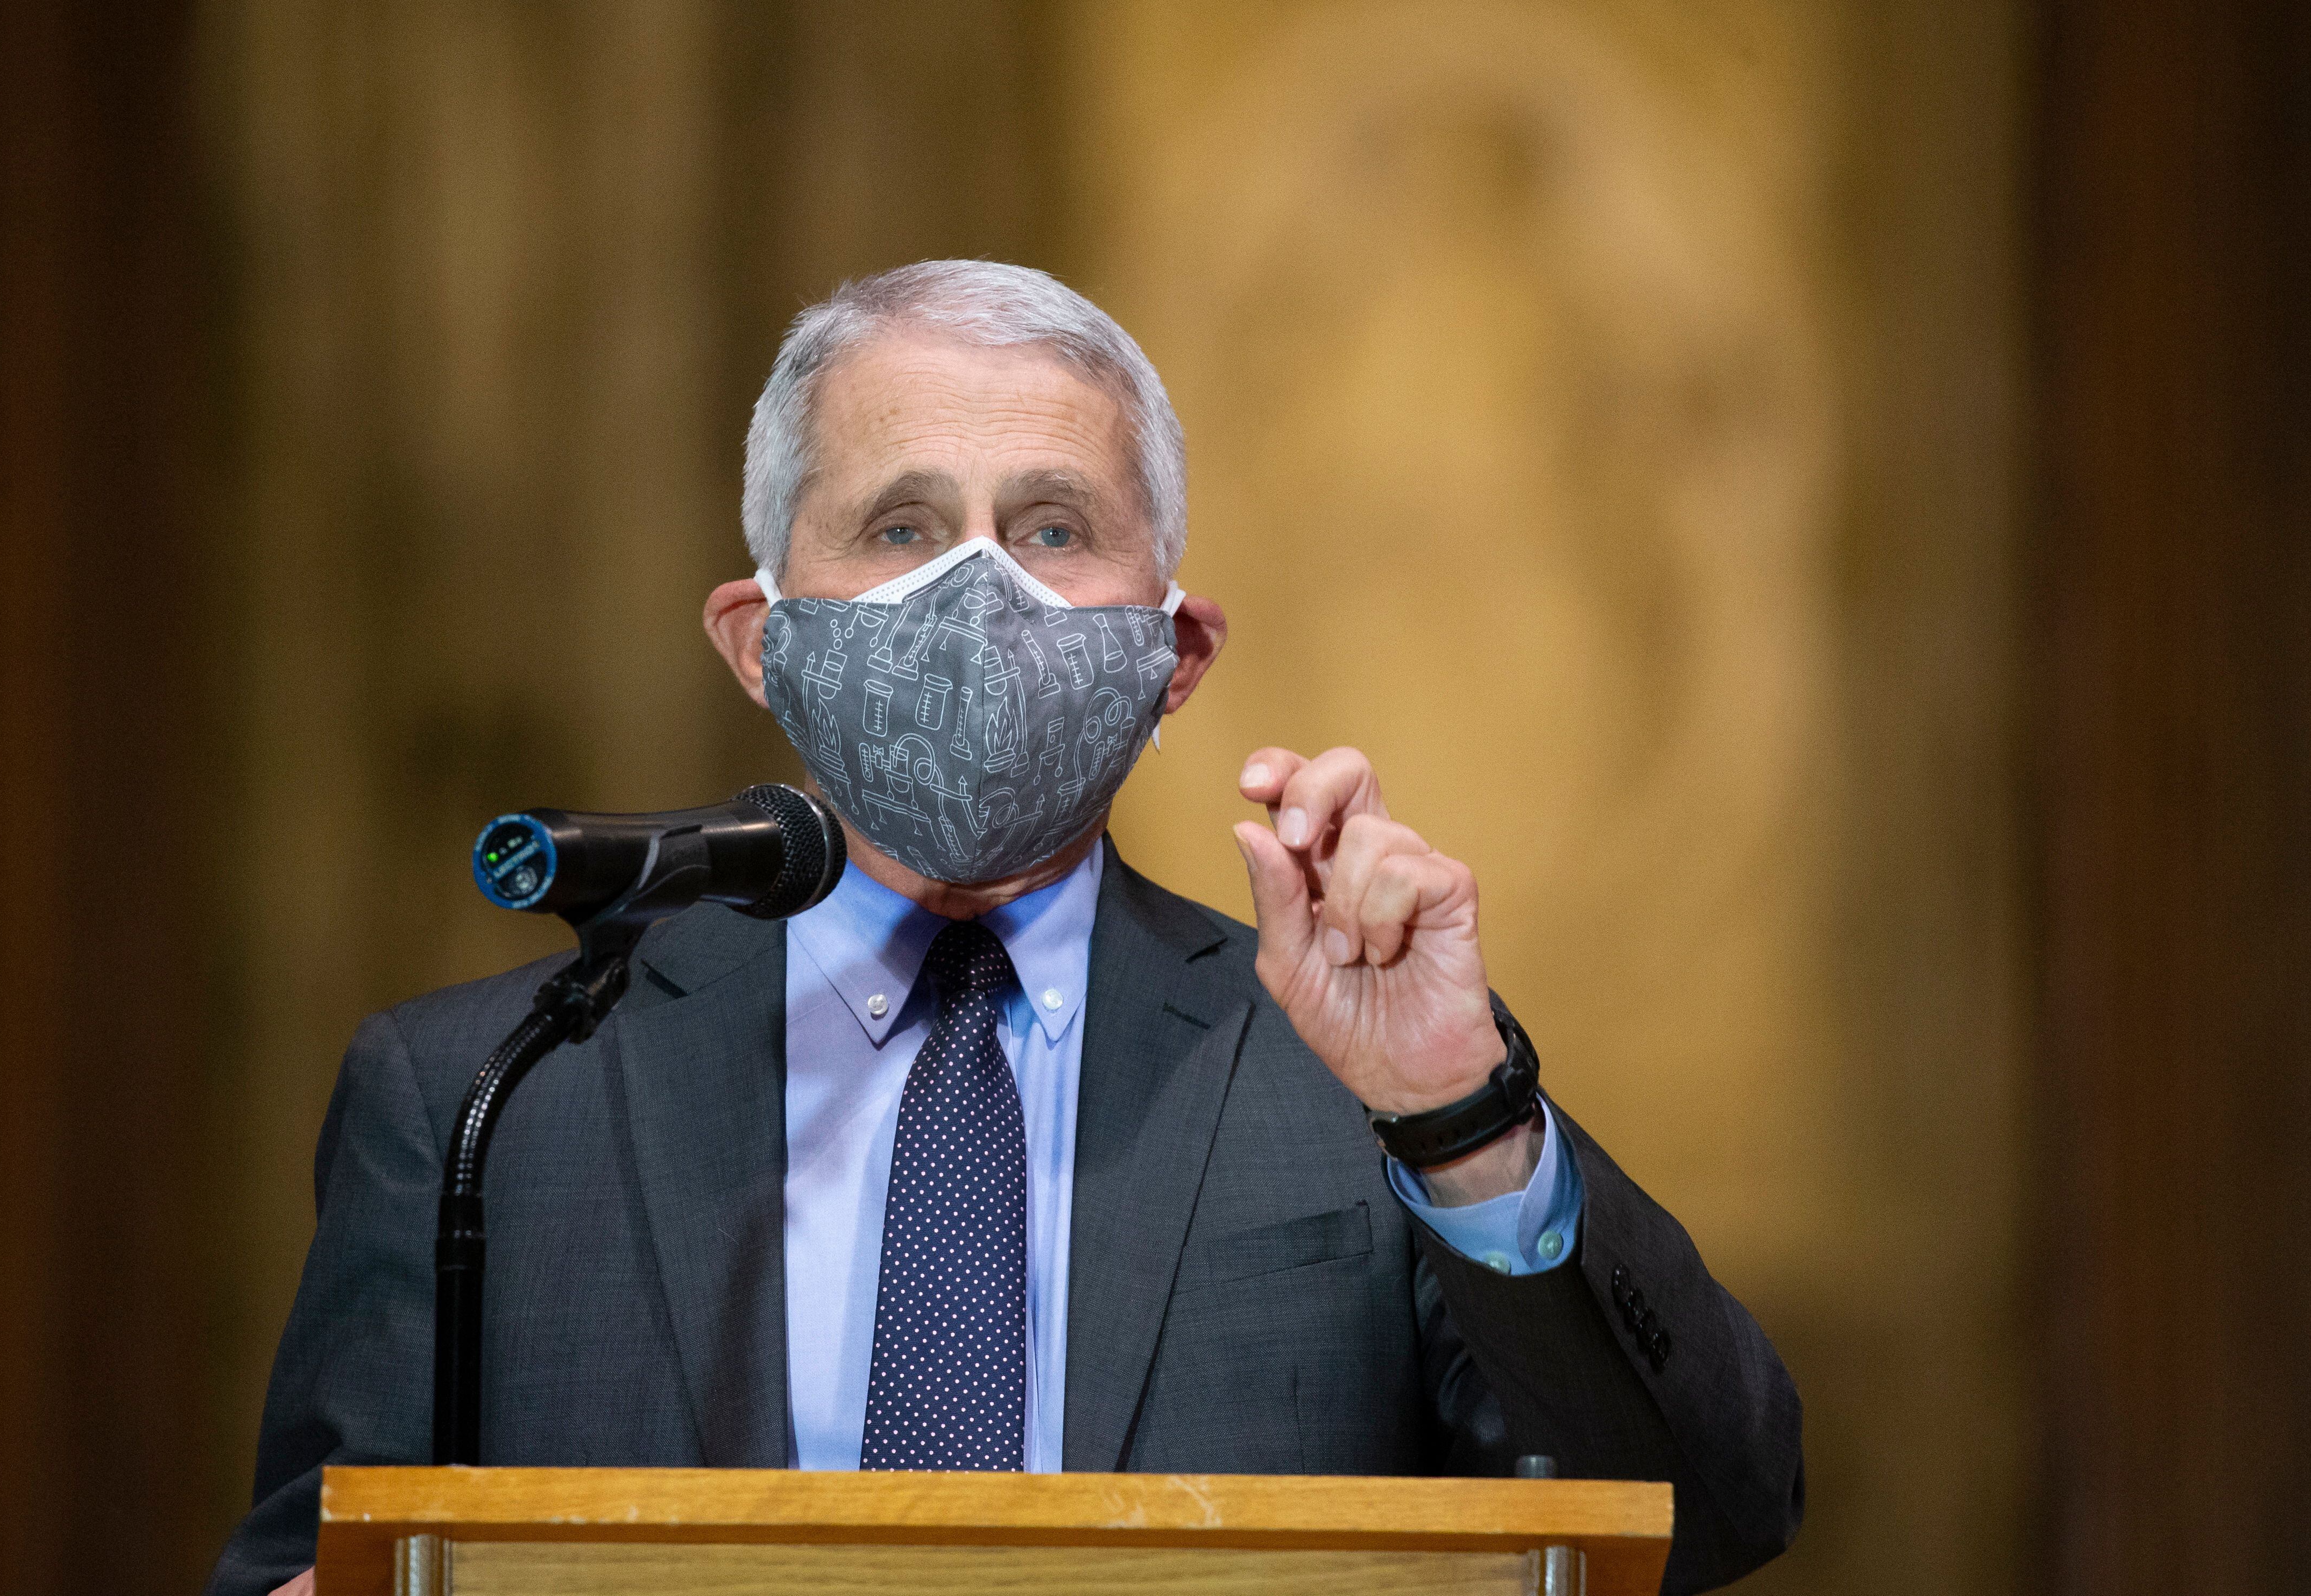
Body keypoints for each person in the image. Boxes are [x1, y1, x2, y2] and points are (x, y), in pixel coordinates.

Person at [210, 261, 1802, 1596]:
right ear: (762, 643)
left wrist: (1460, 1119)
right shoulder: (491, 1098)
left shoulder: (1354, 1085)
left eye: (1050, 530)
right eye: (901, 529)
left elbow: (1710, 1518)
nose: (975, 595)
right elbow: (319, 1558)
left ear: (1173, 658)